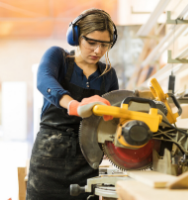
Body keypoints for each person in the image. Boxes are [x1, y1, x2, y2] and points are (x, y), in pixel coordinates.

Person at [26, 8, 119, 200]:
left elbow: (113, 118)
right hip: (48, 159)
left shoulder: (108, 74)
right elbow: (44, 81)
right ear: (76, 37)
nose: (98, 51)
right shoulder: (58, 57)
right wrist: (74, 106)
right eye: (91, 43)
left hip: (86, 161)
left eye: (104, 45)